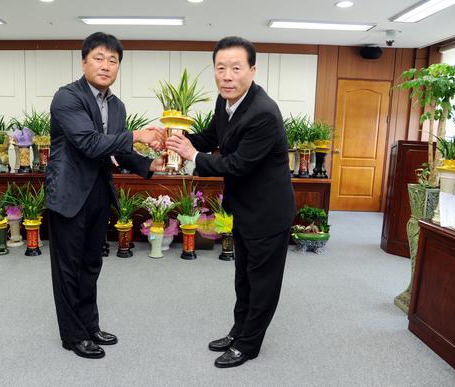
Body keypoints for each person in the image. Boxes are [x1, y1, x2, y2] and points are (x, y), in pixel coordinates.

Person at [166, 36, 295, 368]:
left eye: (236, 68)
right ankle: (239, 330)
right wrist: (177, 139)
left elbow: (237, 165)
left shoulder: (263, 113)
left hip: (267, 213)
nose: (227, 76)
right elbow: (211, 137)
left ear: (252, 70)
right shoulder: (226, 103)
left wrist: (192, 156)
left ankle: (249, 345)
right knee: (244, 278)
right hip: (244, 208)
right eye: (220, 68)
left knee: (262, 283)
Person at [46, 32, 166, 359]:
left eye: (113, 61)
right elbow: (89, 143)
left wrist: (149, 164)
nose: (106, 65)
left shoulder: (117, 105)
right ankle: (73, 336)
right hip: (69, 192)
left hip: (99, 191)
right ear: (84, 61)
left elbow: (118, 150)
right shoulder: (66, 97)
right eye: (99, 58)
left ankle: (90, 325)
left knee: (92, 263)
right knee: (68, 267)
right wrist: (138, 135)